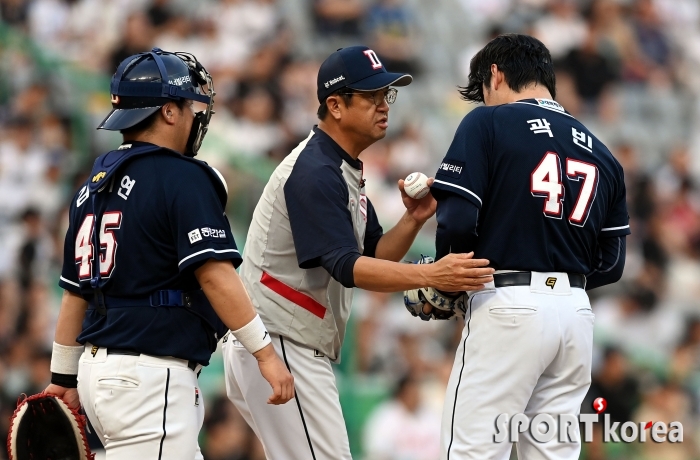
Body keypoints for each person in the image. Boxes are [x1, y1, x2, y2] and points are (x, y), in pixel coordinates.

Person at [223, 45, 495, 460]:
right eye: (370, 96)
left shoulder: (341, 167)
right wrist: (431, 274)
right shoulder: (314, 171)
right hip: (280, 341)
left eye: (387, 95)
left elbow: (374, 254)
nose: (384, 105)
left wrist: (413, 220)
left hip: (284, 341)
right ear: (334, 104)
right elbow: (347, 267)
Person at [43, 48, 294, 459]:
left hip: (96, 373)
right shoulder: (182, 176)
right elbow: (214, 275)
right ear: (169, 112)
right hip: (148, 377)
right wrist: (265, 355)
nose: (197, 116)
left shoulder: (90, 186)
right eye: (190, 106)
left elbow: (75, 294)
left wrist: (62, 376)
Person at [419, 34, 630, 459]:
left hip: (508, 304)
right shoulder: (603, 152)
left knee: (472, 452)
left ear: (495, 75)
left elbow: (457, 219)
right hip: (575, 315)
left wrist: (449, 278)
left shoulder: (488, 122)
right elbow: (613, 263)